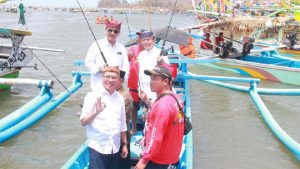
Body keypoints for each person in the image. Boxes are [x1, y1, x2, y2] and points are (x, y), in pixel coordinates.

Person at [135, 65, 184, 169]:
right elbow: (170, 118)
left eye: (154, 79)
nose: (151, 82)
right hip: (172, 157)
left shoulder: (162, 105)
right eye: (151, 79)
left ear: (166, 82)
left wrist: (144, 160)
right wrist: (147, 101)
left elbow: (155, 137)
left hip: (159, 160)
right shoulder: (176, 99)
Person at [80, 66, 128, 169]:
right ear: (102, 78)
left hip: (114, 147)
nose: (110, 80)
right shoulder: (92, 96)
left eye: (114, 77)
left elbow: (122, 124)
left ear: (119, 80)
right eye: (107, 77)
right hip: (98, 148)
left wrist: (124, 144)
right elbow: (83, 122)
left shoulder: (120, 97)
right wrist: (96, 113)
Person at [85, 20, 129, 91]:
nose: (112, 33)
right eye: (110, 30)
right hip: (98, 86)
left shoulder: (122, 47)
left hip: (115, 87)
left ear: (119, 33)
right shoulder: (96, 45)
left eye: (116, 31)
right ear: (105, 30)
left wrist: (121, 80)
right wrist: (100, 69)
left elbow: (126, 66)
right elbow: (88, 62)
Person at [138, 30, 170, 102]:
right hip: (144, 92)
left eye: (148, 39)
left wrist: (162, 62)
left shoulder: (160, 53)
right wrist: (139, 89)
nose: (146, 42)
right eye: (143, 40)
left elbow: (170, 73)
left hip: (158, 91)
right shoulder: (141, 55)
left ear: (154, 40)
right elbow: (140, 75)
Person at [127, 29, 145, 134]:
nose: (140, 39)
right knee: (133, 109)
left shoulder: (152, 51)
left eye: (143, 37)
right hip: (133, 85)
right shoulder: (132, 49)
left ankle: (147, 131)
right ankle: (133, 128)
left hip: (146, 86)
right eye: (139, 36)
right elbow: (123, 59)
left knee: (148, 110)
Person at [117, 70, 133, 169]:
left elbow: (122, 118)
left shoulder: (125, 97)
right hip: (113, 136)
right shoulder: (110, 94)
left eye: (115, 78)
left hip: (123, 134)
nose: (111, 81)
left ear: (121, 80)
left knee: (123, 162)